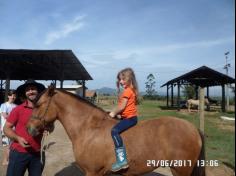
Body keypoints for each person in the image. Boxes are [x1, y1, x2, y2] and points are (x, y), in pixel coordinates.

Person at [3, 79, 45, 176]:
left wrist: (48, 129)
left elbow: (49, 127)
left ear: (38, 91)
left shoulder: (43, 111)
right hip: (18, 153)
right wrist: (17, 138)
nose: (30, 91)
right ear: (25, 93)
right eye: (28, 90)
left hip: (36, 154)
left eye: (33, 89)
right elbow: (6, 128)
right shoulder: (18, 109)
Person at [109, 68, 139, 172]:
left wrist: (113, 113)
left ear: (129, 79)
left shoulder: (127, 91)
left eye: (123, 79)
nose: (121, 82)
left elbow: (122, 106)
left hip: (130, 118)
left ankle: (122, 161)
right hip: (128, 117)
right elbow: (126, 108)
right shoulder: (131, 90)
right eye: (119, 80)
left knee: (114, 131)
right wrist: (119, 115)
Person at [0, 90, 17, 165]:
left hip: (14, 128)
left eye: (14, 95)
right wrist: (14, 117)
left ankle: (6, 160)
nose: (13, 97)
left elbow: (10, 116)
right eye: (12, 95)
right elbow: (4, 115)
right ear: (8, 96)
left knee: (11, 145)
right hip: (5, 128)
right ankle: (5, 160)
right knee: (8, 145)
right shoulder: (4, 105)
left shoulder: (16, 106)